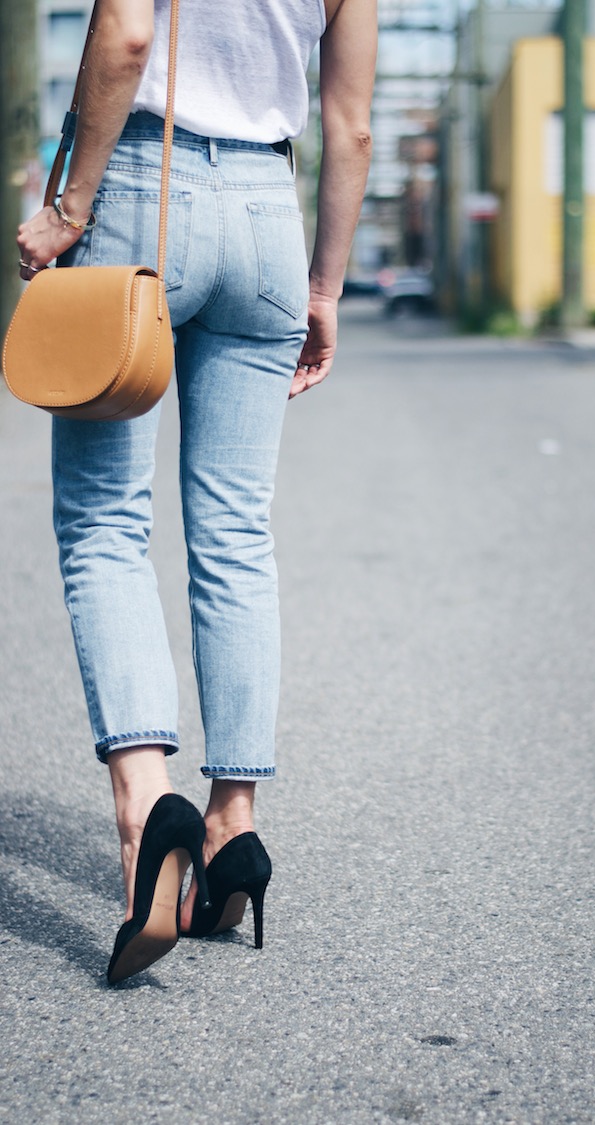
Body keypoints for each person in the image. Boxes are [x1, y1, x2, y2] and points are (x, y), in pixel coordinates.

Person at [16, 0, 376, 984]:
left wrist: (67, 207)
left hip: (142, 185)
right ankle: (232, 830)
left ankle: (147, 815)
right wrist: (326, 289)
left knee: (103, 518)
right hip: (271, 212)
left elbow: (128, 34)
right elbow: (349, 124)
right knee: (234, 531)